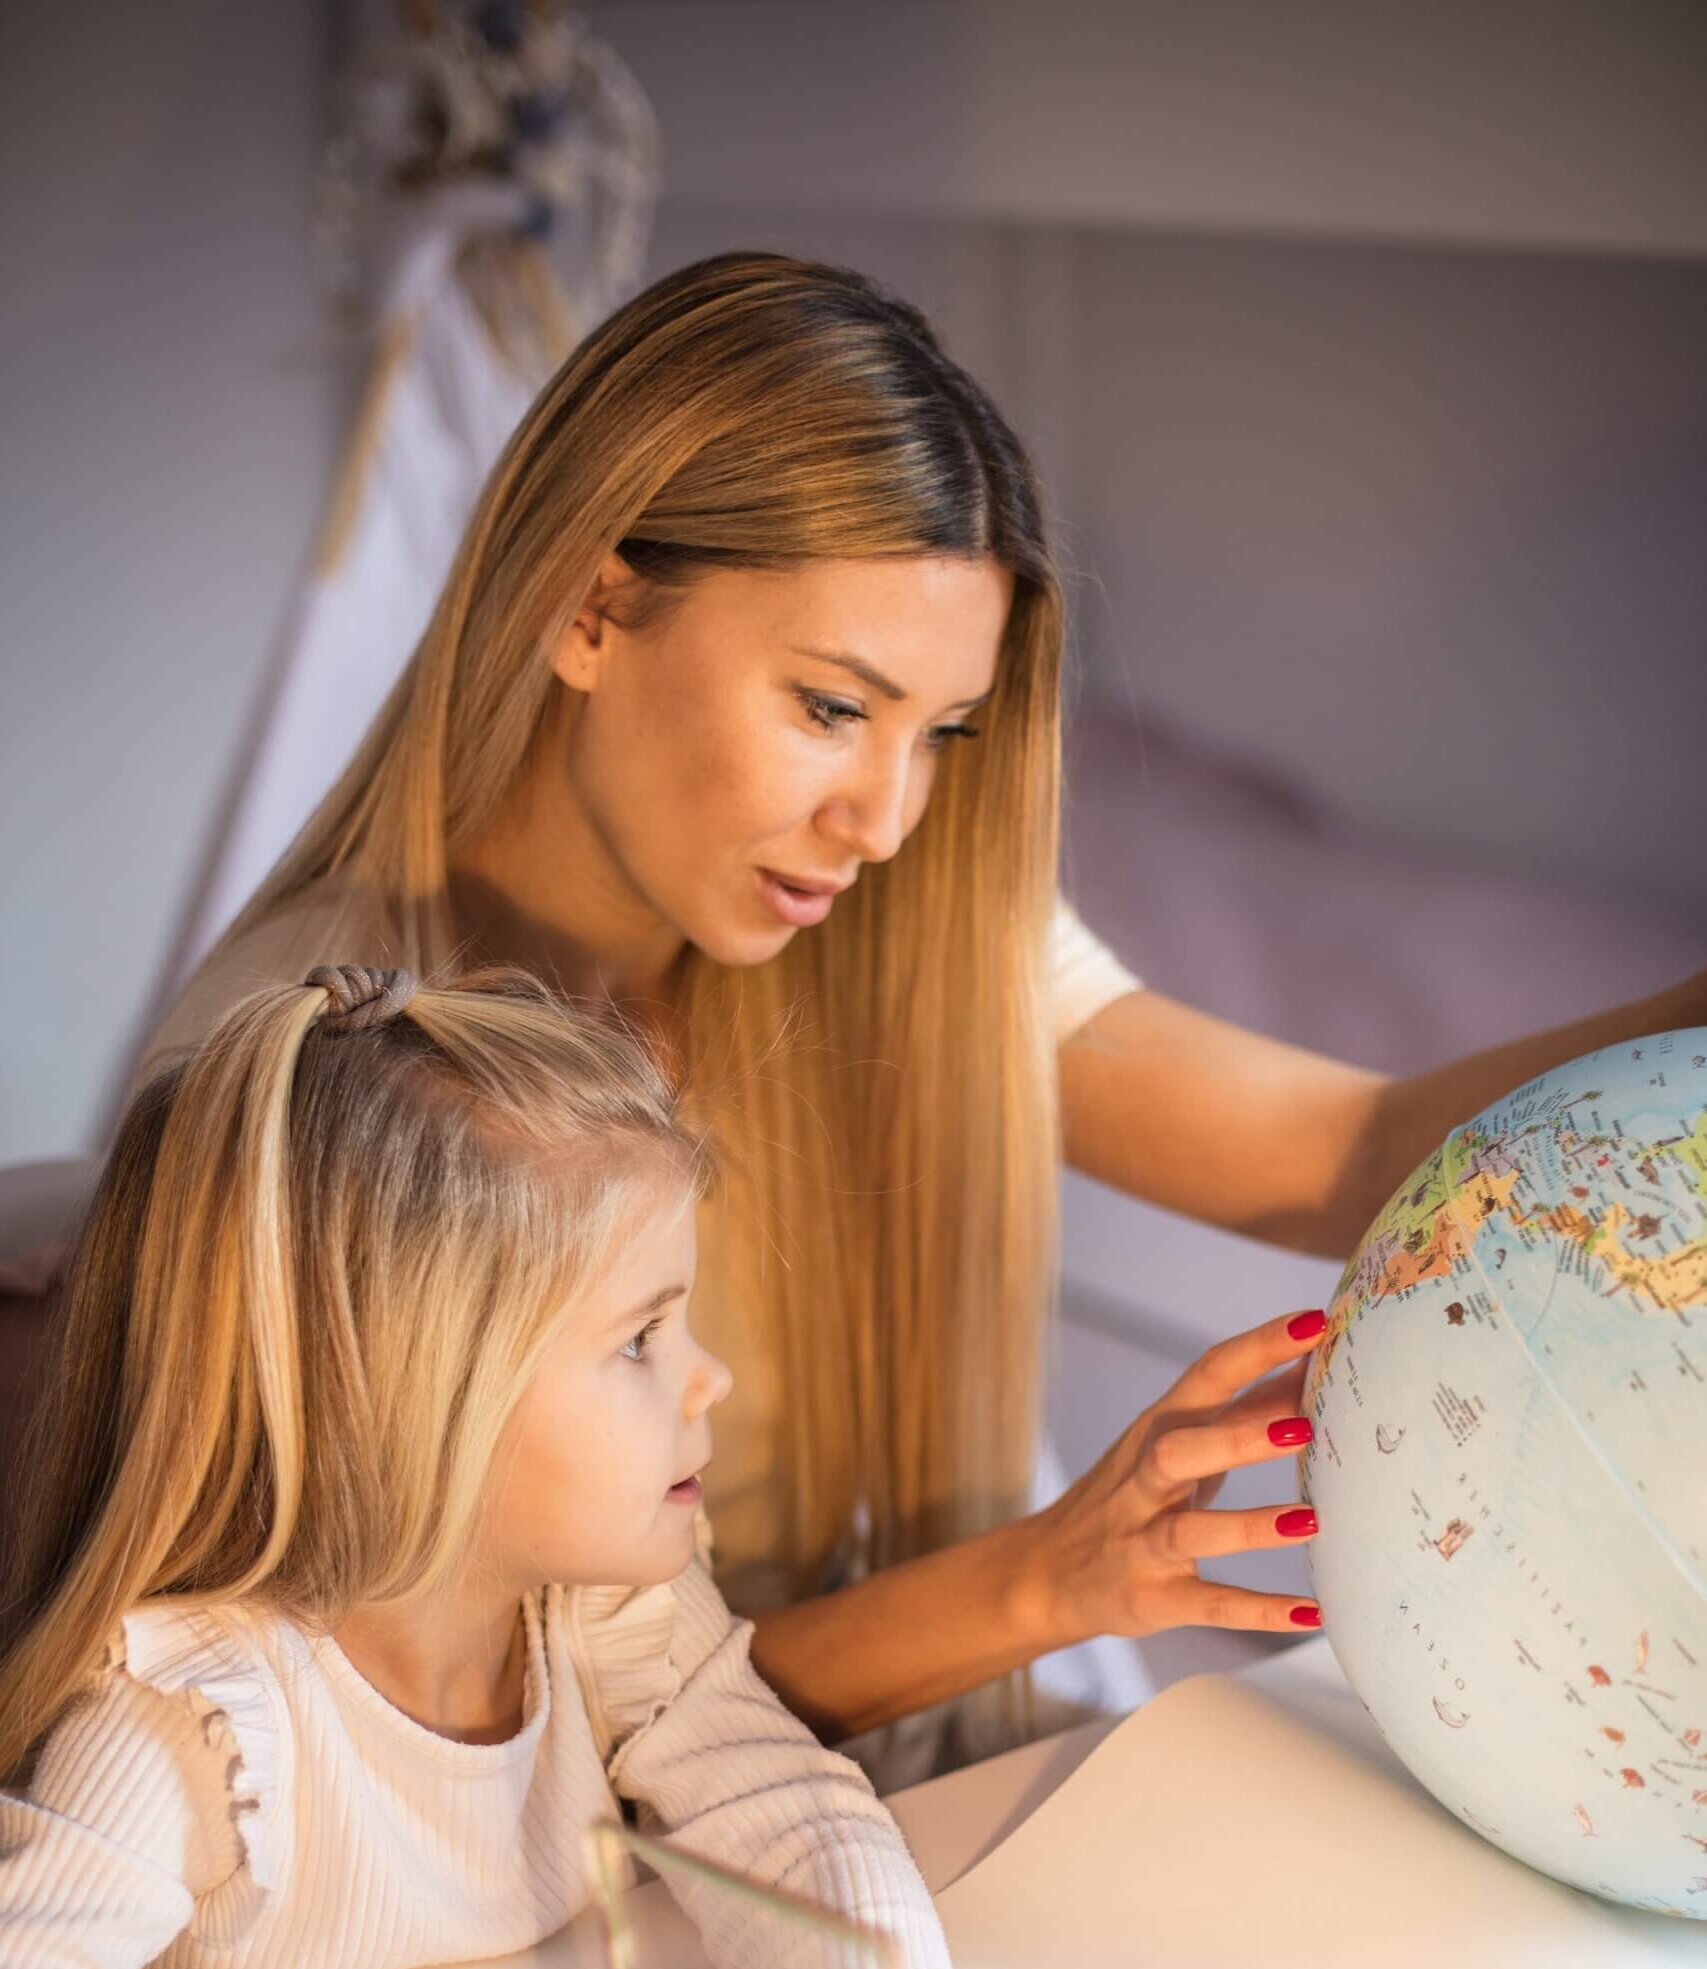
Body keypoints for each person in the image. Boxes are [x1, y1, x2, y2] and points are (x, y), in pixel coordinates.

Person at [139, 251, 1707, 1772]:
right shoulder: (317, 1065)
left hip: (933, 1779)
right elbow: (496, 1760)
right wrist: (1046, 1579)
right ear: (590, 606)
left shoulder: (896, 917)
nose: (884, 821)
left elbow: (1339, 1151)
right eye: (830, 709)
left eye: (941, 731)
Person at [0, 963, 986, 1969]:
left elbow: (789, 1810)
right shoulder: (189, 1719)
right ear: (408, 1397)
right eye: (642, 1338)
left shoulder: (599, 1609)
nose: (711, 1381)